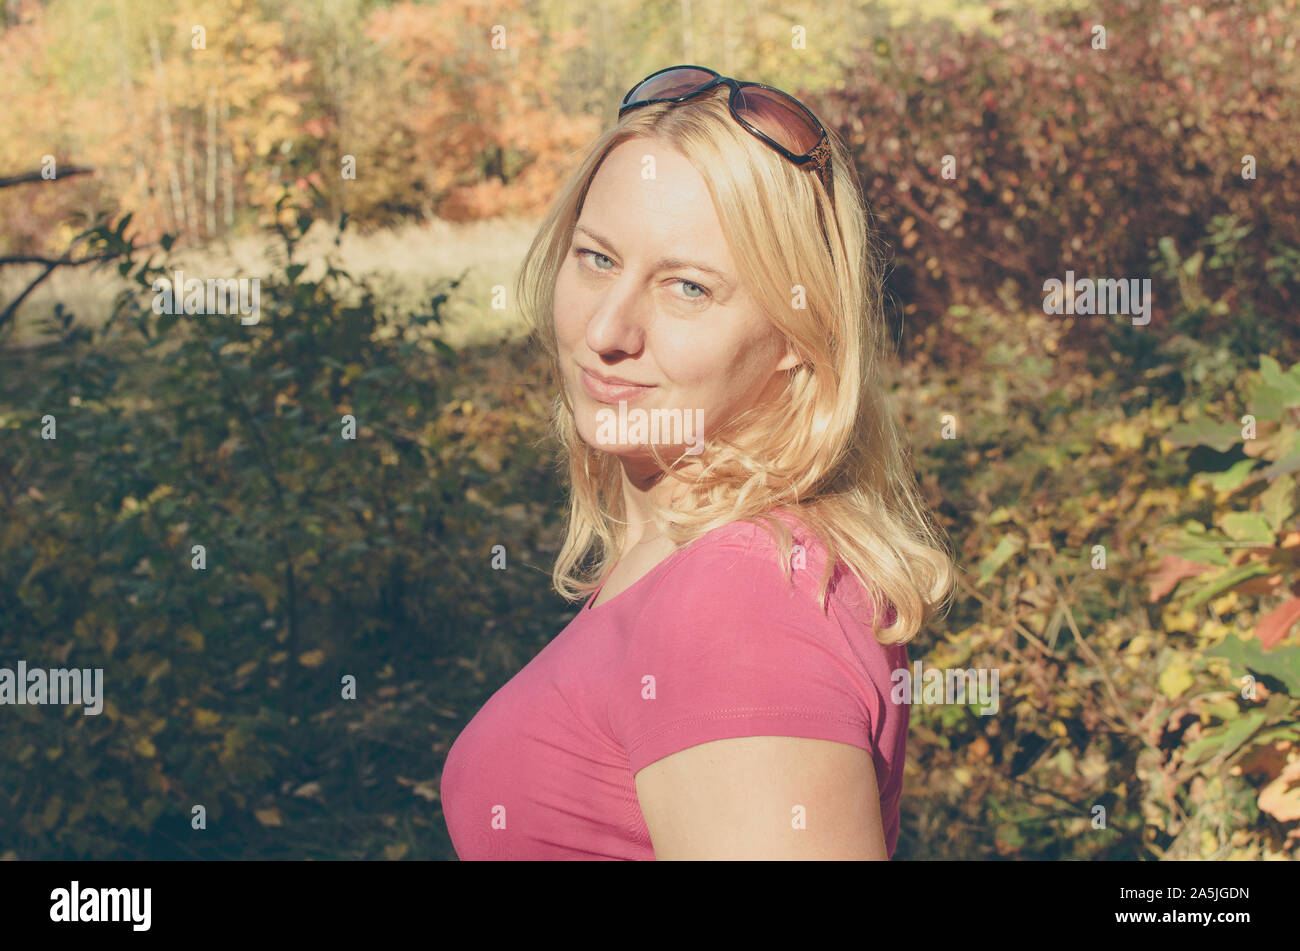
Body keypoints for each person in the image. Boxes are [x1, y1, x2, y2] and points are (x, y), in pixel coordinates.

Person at [440, 65, 955, 860]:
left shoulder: (738, 599)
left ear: (796, 338)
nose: (608, 328)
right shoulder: (683, 554)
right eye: (598, 258)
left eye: (687, 287)